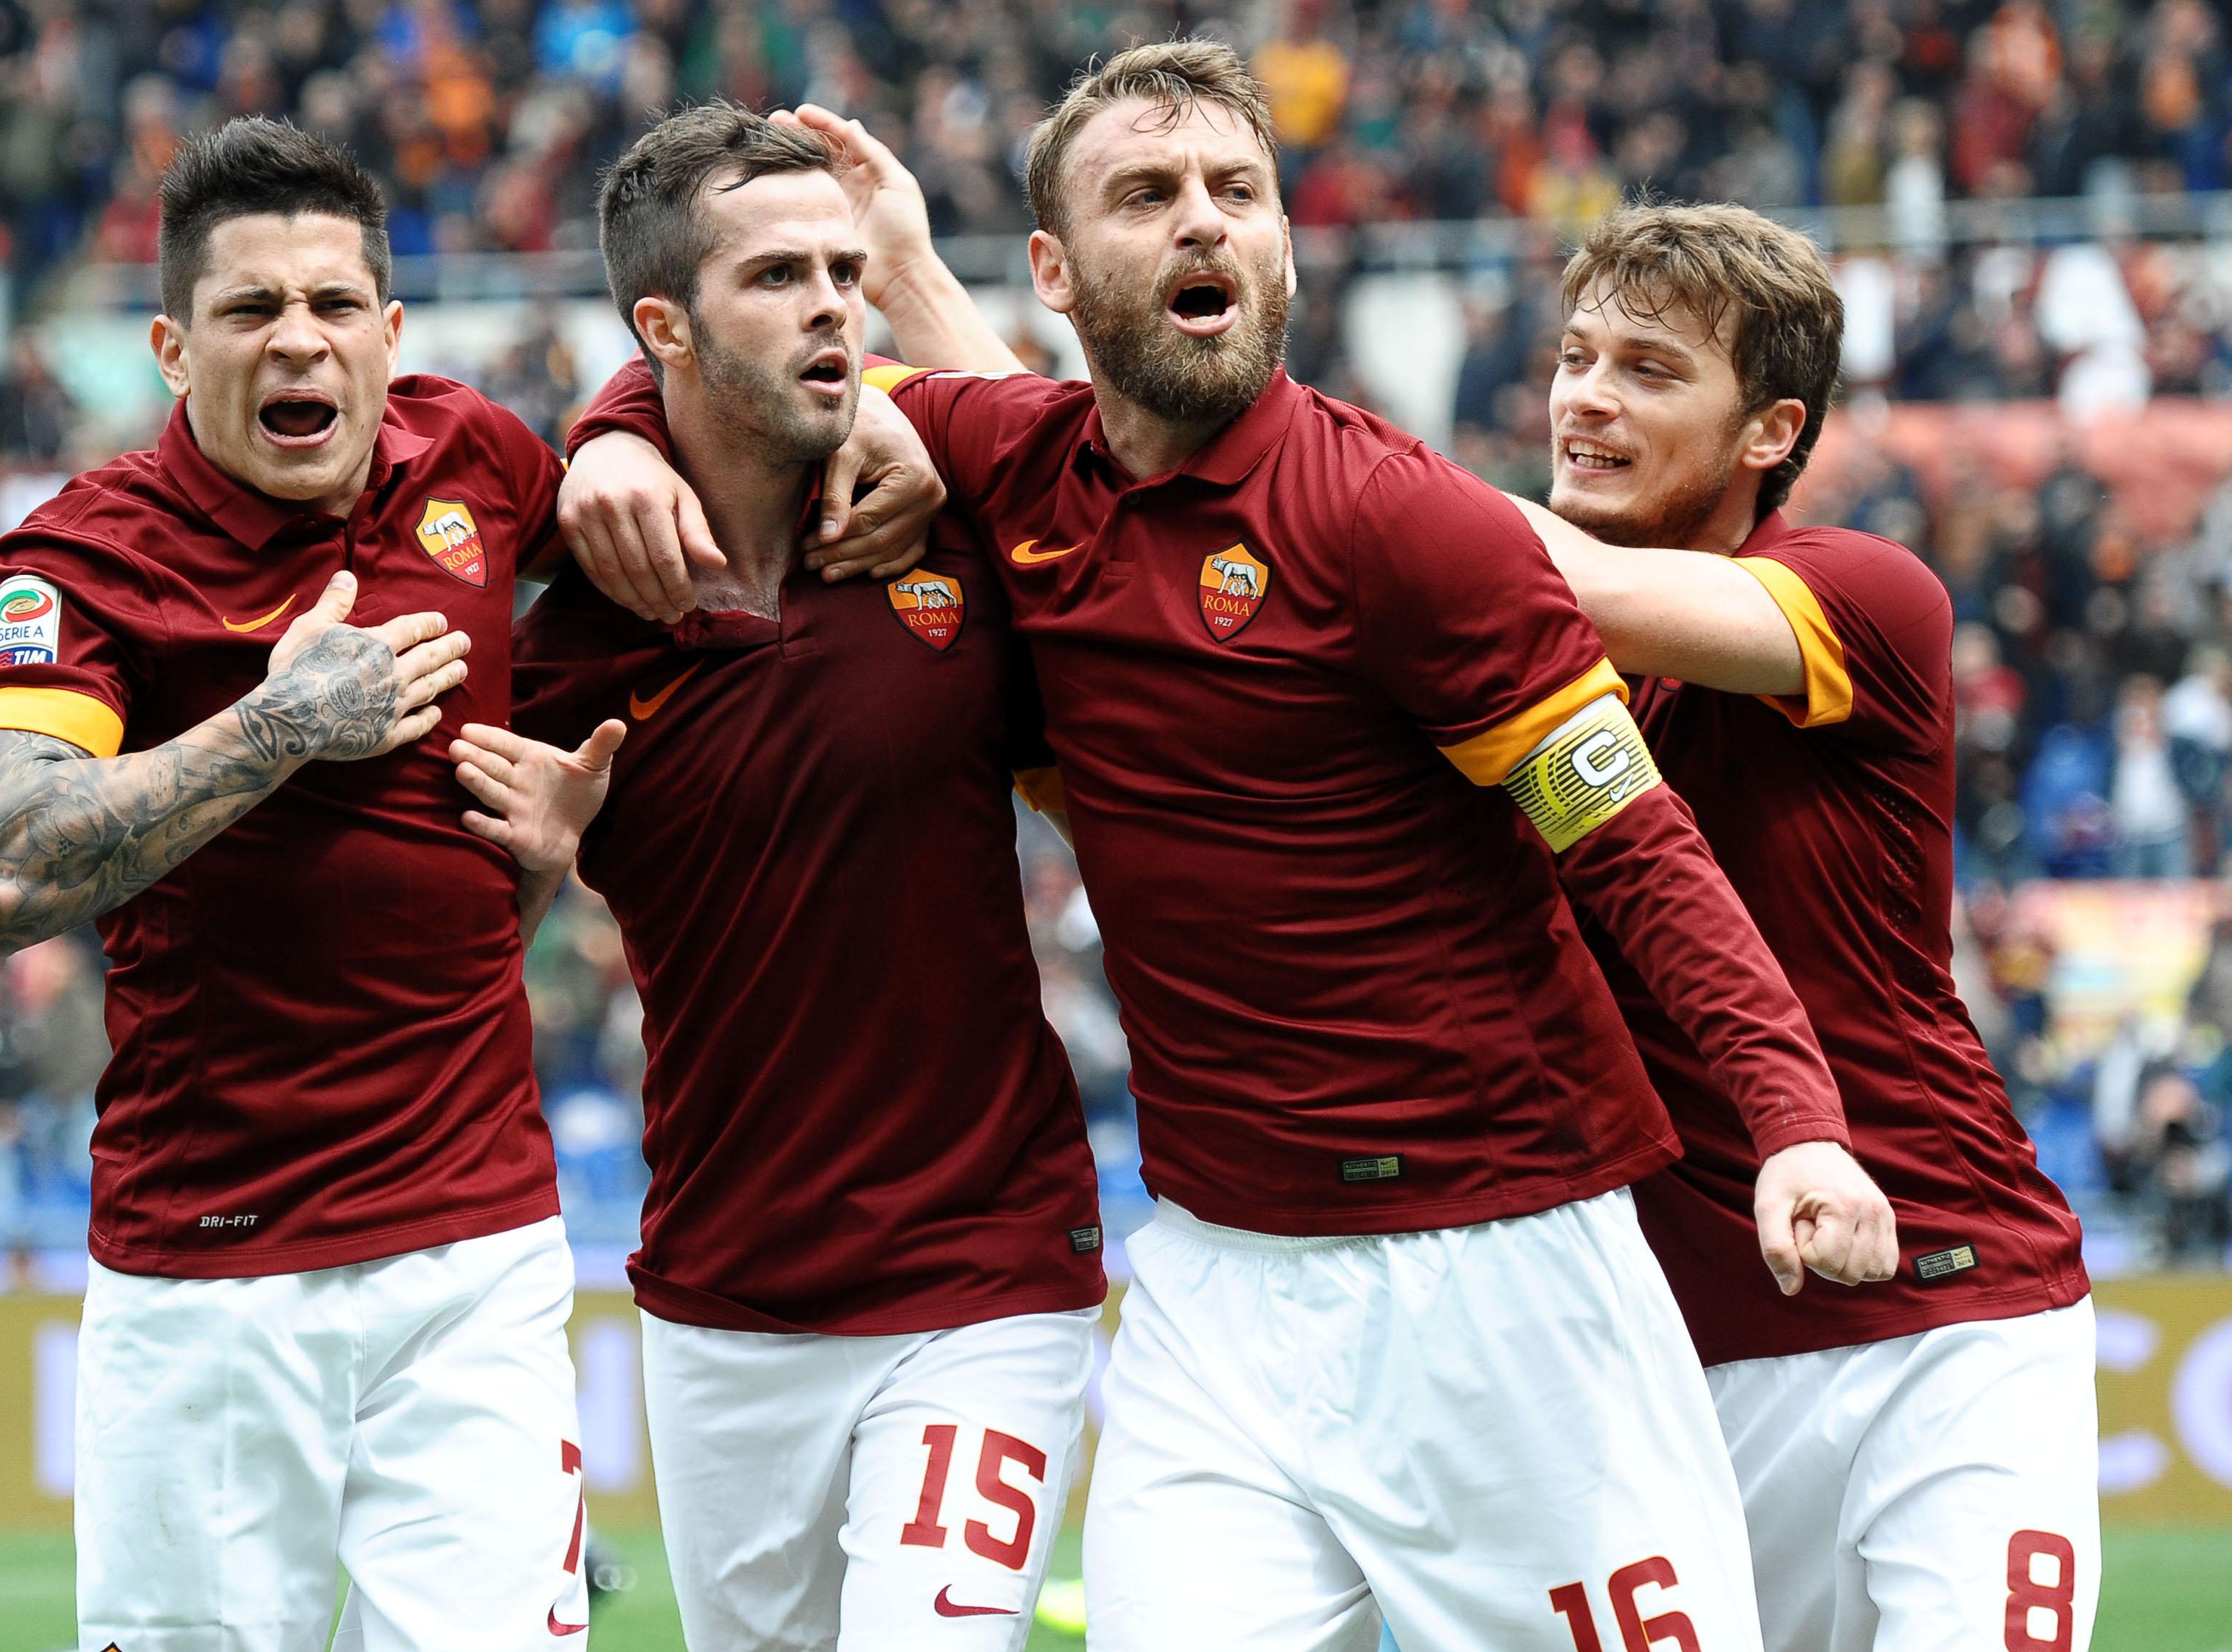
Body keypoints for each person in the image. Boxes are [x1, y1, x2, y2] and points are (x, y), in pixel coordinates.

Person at [562, 43, 1899, 1652]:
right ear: (1054, 272)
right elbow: (741, 378)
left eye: (1238, 191)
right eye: (1148, 194)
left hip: (1502, 1261)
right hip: (1215, 1288)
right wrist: (612, 435)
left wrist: (1796, 1120)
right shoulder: (1013, 464)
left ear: (1282, 244)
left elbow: (1631, 841)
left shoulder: (1404, 521)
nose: (1205, 221)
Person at [0, 118, 606, 1652]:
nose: (297, 339)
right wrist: (277, 725)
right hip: (211, 1271)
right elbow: (0, 864)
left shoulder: (471, 456)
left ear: (391, 333)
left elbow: (651, 548)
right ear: (174, 349)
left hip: (478, 1250)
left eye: (331, 304)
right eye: (250, 309)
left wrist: (563, 838)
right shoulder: (85, 558)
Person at [459, 103, 1104, 1651]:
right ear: (663, 329)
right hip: (723, 1300)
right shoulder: (566, 646)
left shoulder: (945, 537)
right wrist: (531, 870)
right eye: (777, 277)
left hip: (989, 1274)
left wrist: (913, 326)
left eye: (842, 272)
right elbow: (444, 978)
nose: (830, 304)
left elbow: (1116, 523)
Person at [1512, 203, 2097, 1652]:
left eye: (1649, 370)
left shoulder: (1869, 596)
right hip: (1672, 1372)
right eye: (1576, 357)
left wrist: (1291, 463)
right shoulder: (1514, 691)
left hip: (1947, 1318)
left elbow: (1570, 586)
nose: (1587, 398)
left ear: (1770, 431)